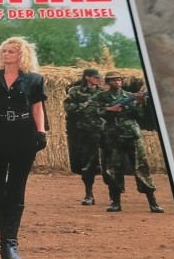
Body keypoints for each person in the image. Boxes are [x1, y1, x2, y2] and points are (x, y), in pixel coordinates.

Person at [0, 37, 47, 259]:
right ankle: (6, 235)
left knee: (16, 187)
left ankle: (9, 242)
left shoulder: (34, 80)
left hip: (23, 135)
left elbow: (37, 107)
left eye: (11, 51)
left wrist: (41, 132)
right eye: (4, 51)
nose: (6, 54)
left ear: (21, 55)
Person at [94, 70, 164, 213]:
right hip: (113, 137)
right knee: (114, 169)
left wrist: (139, 103)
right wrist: (109, 109)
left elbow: (139, 115)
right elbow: (89, 110)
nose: (117, 82)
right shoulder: (101, 96)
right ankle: (115, 202)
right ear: (108, 82)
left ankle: (152, 202)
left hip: (132, 135)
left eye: (119, 79)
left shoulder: (129, 96)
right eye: (114, 80)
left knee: (141, 167)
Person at [63, 67, 104, 205]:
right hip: (84, 133)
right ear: (87, 77)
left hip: (102, 132)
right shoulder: (75, 91)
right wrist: (84, 106)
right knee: (87, 164)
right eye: (95, 77)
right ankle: (89, 194)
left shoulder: (102, 92)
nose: (98, 79)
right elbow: (68, 107)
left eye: (98, 77)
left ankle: (114, 198)